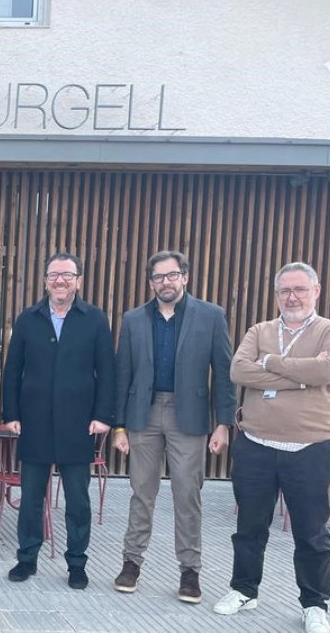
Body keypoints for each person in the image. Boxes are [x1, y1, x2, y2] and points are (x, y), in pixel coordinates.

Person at [214, 262, 330, 633]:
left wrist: (272, 363)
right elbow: (239, 372)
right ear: (276, 294)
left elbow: (326, 373)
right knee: (249, 526)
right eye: (284, 290)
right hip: (256, 444)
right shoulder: (259, 330)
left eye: (300, 289)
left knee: (311, 532)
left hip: (309, 448)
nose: (292, 297)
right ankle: (244, 589)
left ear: (316, 291)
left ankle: (314, 604)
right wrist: (300, 377)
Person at [112, 250, 235, 602]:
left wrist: (223, 423)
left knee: (187, 494)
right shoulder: (134, 319)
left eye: (171, 275)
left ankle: (189, 571)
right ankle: (131, 563)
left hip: (190, 417)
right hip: (144, 414)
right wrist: (119, 425)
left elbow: (224, 374)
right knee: (141, 493)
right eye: (157, 277)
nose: (164, 282)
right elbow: (123, 374)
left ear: (185, 276)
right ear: (150, 282)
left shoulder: (211, 316)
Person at [2, 252, 115, 589]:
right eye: (54, 275)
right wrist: (11, 414)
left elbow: (107, 371)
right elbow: (12, 371)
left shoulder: (94, 319)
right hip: (34, 422)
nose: (61, 280)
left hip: (79, 424)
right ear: (45, 280)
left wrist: (103, 415)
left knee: (78, 501)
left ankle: (77, 564)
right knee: (32, 498)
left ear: (78, 279)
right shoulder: (28, 319)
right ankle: (27, 559)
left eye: (67, 274)